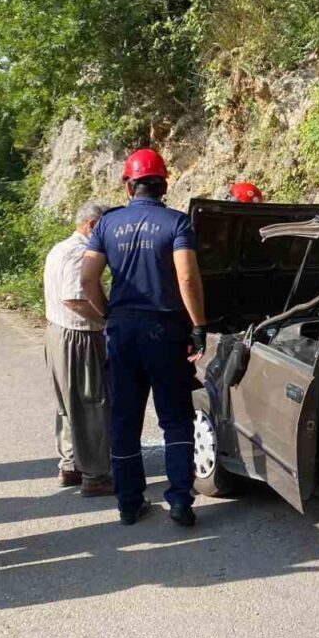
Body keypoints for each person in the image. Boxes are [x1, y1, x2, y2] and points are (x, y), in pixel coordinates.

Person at [80, 149, 208, 527]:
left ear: (128, 184)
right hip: (165, 330)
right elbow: (186, 278)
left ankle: (129, 502)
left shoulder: (107, 225)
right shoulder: (177, 223)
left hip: (122, 330)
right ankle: (181, 501)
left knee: (124, 418)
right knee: (175, 418)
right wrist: (198, 325)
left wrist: (109, 314)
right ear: (164, 184)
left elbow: (88, 279)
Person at [43, 200, 113, 496]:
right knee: (91, 404)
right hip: (79, 336)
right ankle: (95, 475)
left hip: (57, 332)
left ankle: (70, 464)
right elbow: (75, 299)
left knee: (67, 404)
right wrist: (108, 319)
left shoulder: (60, 248)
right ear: (93, 226)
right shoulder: (79, 254)